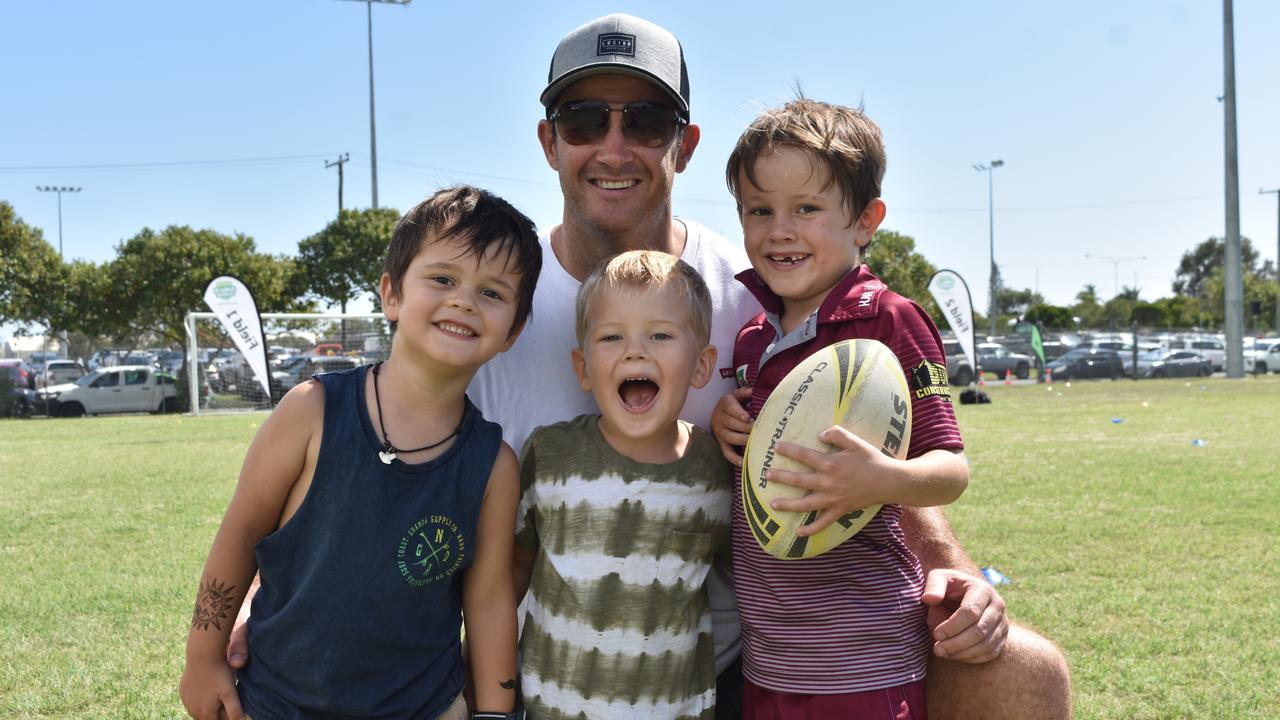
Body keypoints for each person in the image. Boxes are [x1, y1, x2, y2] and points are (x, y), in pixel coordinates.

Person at [231, 13, 1071, 719]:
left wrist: (958, 581)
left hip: (726, 670)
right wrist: (257, 594)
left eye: (647, 123)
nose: (615, 145)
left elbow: (857, 452)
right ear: (549, 141)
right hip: (542, 673)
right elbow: (380, 450)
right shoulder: (494, 300)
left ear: (687, 144)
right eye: (586, 120)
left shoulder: (752, 303)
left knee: (1024, 670)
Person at [184, 186, 539, 720]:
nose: (464, 300)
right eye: (443, 278)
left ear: (512, 331)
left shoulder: (494, 465)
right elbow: (240, 535)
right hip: (275, 703)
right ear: (391, 294)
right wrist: (202, 656)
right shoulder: (310, 411)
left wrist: (493, 712)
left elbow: (489, 602)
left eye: (492, 292)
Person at [712, 97, 968, 718]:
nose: (780, 229)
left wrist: (880, 480)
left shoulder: (890, 318)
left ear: (865, 220)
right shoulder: (751, 332)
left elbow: (950, 471)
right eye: (759, 210)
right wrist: (726, 418)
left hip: (865, 659)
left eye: (807, 208)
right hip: (768, 656)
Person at [513, 250, 732, 718]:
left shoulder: (719, 469)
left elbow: (751, 583)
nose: (636, 351)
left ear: (701, 364)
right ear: (583, 368)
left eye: (660, 335)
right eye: (612, 336)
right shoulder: (548, 455)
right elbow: (512, 572)